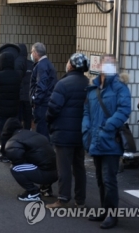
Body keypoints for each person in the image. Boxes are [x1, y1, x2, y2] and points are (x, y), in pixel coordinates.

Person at [82, 54, 131, 229]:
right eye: (106, 63)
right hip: (94, 139)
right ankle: (104, 210)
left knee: (109, 179)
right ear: (100, 66)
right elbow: (86, 111)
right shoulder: (93, 88)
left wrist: (107, 127)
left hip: (111, 140)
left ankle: (112, 214)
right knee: (100, 179)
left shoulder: (120, 87)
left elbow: (124, 109)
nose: (108, 67)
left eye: (112, 64)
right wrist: (86, 130)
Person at [45, 53, 90, 209]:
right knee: (79, 166)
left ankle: (63, 198)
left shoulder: (63, 84)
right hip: (81, 133)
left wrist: (49, 122)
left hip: (63, 133)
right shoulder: (88, 84)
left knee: (63, 167)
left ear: (71, 65)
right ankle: (80, 200)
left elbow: (53, 108)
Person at [2, 118, 57, 201]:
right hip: (57, 171)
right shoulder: (33, 134)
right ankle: (46, 188)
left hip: (45, 174)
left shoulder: (14, 140)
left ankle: (33, 192)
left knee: (15, 168)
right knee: (40, 160)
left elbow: (16, 159)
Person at [0, 52, 22, 163]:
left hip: (0, 107)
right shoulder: (17, 75)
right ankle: (13, 152)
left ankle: (4, 154)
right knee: (12, 130)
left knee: (3, 131)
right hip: (14, 107)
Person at [29, 42, 57, 140]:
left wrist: (35, 100)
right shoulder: (48, 64)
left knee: (41, 132)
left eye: (32, 52)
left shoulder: (41, 66)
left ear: (36, 53)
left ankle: (43, 153)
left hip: (42, 104)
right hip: (47, 102)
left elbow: (41, 85)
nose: (31, 54)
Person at [17, 43, 33, 130]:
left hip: (18, 96)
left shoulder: (16, 64)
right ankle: (27, 132)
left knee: (18, 117)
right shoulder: (31, 64)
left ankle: (19, 133)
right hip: (28, 96)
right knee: (28, 117)